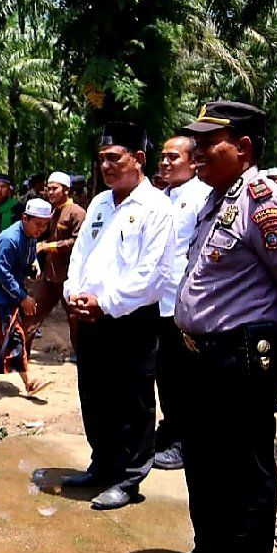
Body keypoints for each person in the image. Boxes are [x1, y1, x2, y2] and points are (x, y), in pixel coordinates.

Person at [146, 101, 277, 553]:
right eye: (195, 141)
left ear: (242, 148)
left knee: (242, 471)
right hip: (200, 357)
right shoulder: (215, 201)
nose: (198, 150)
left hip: (243, 358)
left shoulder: (267, 203)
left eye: (210, 141)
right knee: (202, 463)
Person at [61, 122, 173, 510]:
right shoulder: (99, 203)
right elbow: (81, 256)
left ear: (138, 159)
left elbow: (152, 276)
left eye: (114, 158)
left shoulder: (156, 207)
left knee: (132, 400)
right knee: (95, 395)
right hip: (89, 318)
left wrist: (105, 302)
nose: (106, 166)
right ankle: (102, 464)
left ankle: (128, 478)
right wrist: (72, 292)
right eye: (102, 159)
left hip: (131, 320)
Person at [149, 136, 213, 471]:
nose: (165, 162)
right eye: (162, 157)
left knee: (184, 377)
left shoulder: (202, 197)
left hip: (185, 304)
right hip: (158, 301)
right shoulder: (161, 197)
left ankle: (185, 442)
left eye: (173, 157)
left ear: (193, 162)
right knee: (165, 374)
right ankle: (170, 429)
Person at [0, 198, 52, 396]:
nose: (41, 229)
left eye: (45, 225)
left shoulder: (30, 236)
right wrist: (22, 297)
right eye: (38, 224)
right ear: (25, 219)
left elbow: (26, 257)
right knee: (12, 333)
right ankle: (30, 382)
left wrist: (32, 265)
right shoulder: (9, 239)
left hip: (8, 290)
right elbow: (3, 274)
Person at [23, 171, 86, 351]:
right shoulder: (51, 212)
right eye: (47, 189)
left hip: (69, 277)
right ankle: (20, 357)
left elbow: (77, 241)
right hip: (50, 276)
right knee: (32, 313)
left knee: (75, 319)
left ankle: (80, 356)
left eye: (54, 189)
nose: (50, 192)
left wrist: (48, 246)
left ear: (66, 190)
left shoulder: (77, 213)